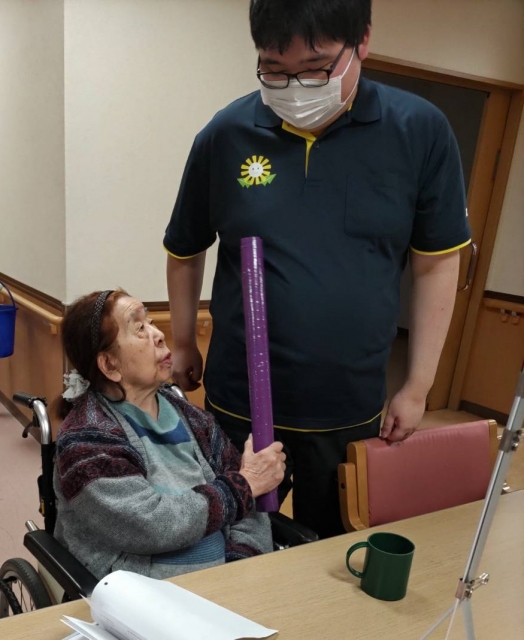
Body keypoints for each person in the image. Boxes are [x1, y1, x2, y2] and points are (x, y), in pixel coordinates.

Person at [163, 0, 471, 539]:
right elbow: (186, 248)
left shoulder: (419, 131)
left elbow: (436, 264)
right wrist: (184, 342)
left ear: (362, 41)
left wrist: (418, 385)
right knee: (232, 541)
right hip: (239, 399)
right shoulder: (226, 134)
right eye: (273, 69)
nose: (294, 88)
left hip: (348, 403)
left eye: (315, 69)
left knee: (329, 548)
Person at [53, 290, 285, 580]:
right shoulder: (87, 439)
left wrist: (241, 565)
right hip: (144, 588)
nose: (159, 335)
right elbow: (151, 525)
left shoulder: (194, 419)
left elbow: (247, 502)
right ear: (110, 365)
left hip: (227, 580)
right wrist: (244, 485)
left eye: (151, 322)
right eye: (140, 328)